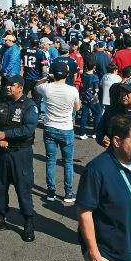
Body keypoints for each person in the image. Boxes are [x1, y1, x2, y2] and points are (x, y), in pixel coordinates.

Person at [77, 114, 131, 261]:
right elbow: (84, 212)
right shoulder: (97, 169)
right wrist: (94, 253)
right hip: (109, 256)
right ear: (117, 141)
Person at [0, 74, 38, 242]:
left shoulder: (29, 105)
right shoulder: (1, 101)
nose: (8, 87)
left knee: (23, 188)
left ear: (20, 88)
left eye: (12, 85)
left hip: (20, 153)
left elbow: (28, 129)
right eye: (7, 84)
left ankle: (28, 224)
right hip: (1, 152)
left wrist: (5, 134)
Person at [36, 62, 81, 202]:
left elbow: (36, 85)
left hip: (50, 127)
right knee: (68, 162)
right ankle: (68, 193)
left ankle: (51, 192)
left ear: (53, 73)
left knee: (51, 160)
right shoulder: (72, 90)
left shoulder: (46, 88)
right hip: (66, 128)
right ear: (67, 75)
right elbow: (77, 108)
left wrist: (46, 77)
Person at [78, 61, 102, 140]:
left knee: (84, 115)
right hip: (92, 98)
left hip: (84, 97)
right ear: (94, 67)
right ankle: (95, 132)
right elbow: (96, 89)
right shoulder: (95, 77)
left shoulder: (83, 75)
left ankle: (82, 133)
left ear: (86, 67)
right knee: (97, 114)